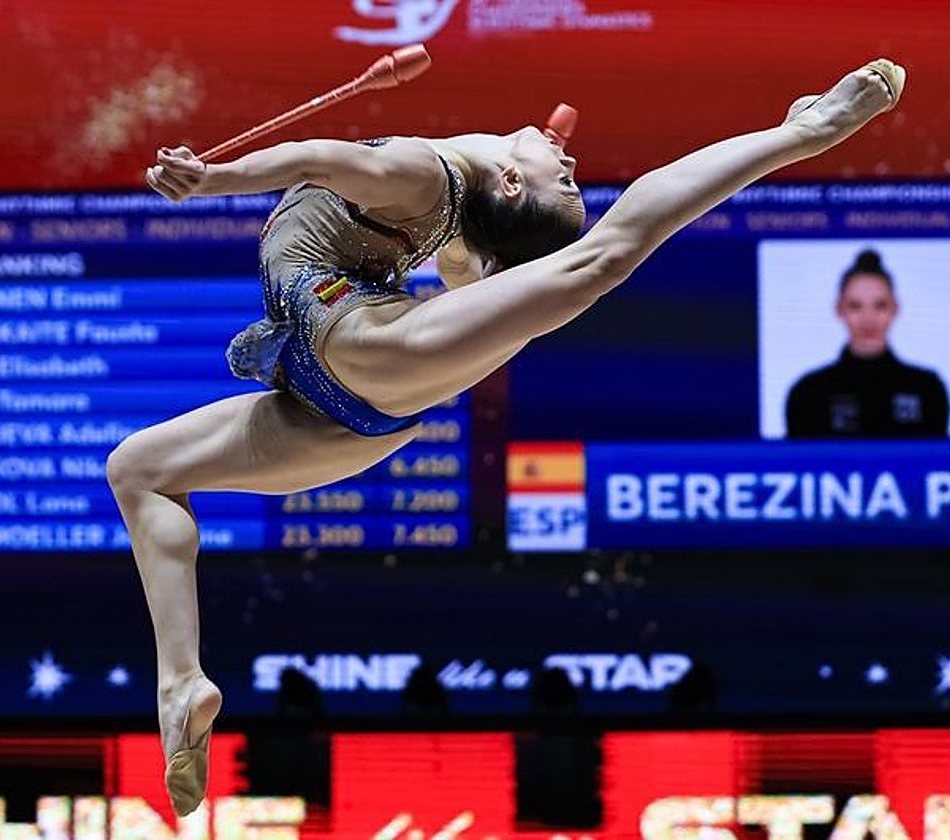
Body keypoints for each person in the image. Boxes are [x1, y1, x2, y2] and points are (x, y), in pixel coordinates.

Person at [108, 59, 906, 816]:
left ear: (513, 181)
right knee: (138, 469)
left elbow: (318, 155)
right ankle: (180, 682)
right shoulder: (458, 220)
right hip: (351, 416)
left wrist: (213, 179)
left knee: (602, 258)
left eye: (562, 174)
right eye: (569, 172)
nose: (568, 153)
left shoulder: (423, 170)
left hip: (364, 348)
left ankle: (803, 132)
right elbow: (471, 278)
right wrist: (498, 283)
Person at [785, 248, 950, 438]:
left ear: (895, 309)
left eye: (880, 306)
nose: (868, 320)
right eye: (855, 306)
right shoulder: (809, 392)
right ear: (839, 309)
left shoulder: (927, 389)